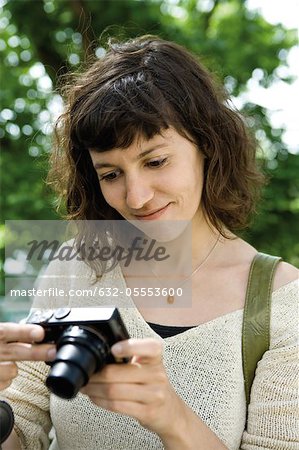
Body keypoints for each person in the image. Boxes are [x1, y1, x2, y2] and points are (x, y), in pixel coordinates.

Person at [1, 35, 298, 450]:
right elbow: (23, 432)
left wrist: (172, 418)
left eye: (155, 161)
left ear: (207, 145)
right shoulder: (75, 269)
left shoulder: (285, 305)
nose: (136, 197)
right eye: (111, 175)